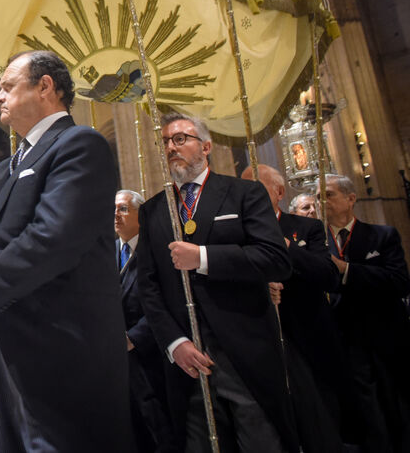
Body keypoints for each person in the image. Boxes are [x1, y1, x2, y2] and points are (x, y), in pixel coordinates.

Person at [0, 50, 130, 452]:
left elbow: (55, 236)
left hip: (61, 343)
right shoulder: (11, 165)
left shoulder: (79, 144)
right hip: (12, 338)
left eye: (8, 87)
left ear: (45, 87)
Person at [135, 112, 297, 452]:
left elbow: (275, 260)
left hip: (242, 348)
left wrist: (204, 258)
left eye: (180, 139)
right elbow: (148, 286)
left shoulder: (243, 194)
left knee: (260, 441)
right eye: (165, 141)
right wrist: (174, 341)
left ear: (206, 146)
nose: (171, 147)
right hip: (187, 359)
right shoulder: (153, 210)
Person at [241, 165, 344, 453]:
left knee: (322, 422)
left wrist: (285, 246)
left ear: (279, 192)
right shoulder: (238, 234)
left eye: (257, 187)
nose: (249, 195)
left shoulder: (308, 229)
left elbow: (328, 275)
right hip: (263, 339)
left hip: (308, 335)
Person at [320, 173, 410, 452]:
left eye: (330, 194)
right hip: (343, 339)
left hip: (385, 336)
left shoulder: (382, 235)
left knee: (396, 405)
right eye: (319, 196)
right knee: (364, 411)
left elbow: (398, 281)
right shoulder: (317, 244)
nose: (323, 202)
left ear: (351, 199)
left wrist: (348, 271)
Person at [115, 189, 173, 453]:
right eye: (114, 209)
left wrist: (133, 338)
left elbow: (164, 302)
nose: (116, 215)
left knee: (158, 427)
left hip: (149, 355)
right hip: (115, 359)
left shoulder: (155, 250)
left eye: (123, 209)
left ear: (142, 214)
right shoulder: (107, 254)